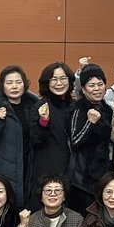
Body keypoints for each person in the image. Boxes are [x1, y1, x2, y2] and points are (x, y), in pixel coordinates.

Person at [0, 65, 39, 208]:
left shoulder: (33, 108)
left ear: (25, 84)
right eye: (9, 82)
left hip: (27, 169)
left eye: (18, 82)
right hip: (1, 171)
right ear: (2, 86)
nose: (14, 86)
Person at [66, 63, 114, 215]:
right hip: (82, 180)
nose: (97, 89)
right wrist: (90, 123)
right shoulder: (78, 108)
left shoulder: (107, 109)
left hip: (102, 175)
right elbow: (75, 141)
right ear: (84, 89)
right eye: (91, 85)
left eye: (100, 84)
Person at [28, 62, 74, 206]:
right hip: (48, 171)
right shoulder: (40, 106)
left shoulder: (75, 105)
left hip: (73, 171)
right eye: (54, 79)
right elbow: (35, 140)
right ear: (46, 83)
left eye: (63, 78)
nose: (59, 83)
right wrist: (43, 121)